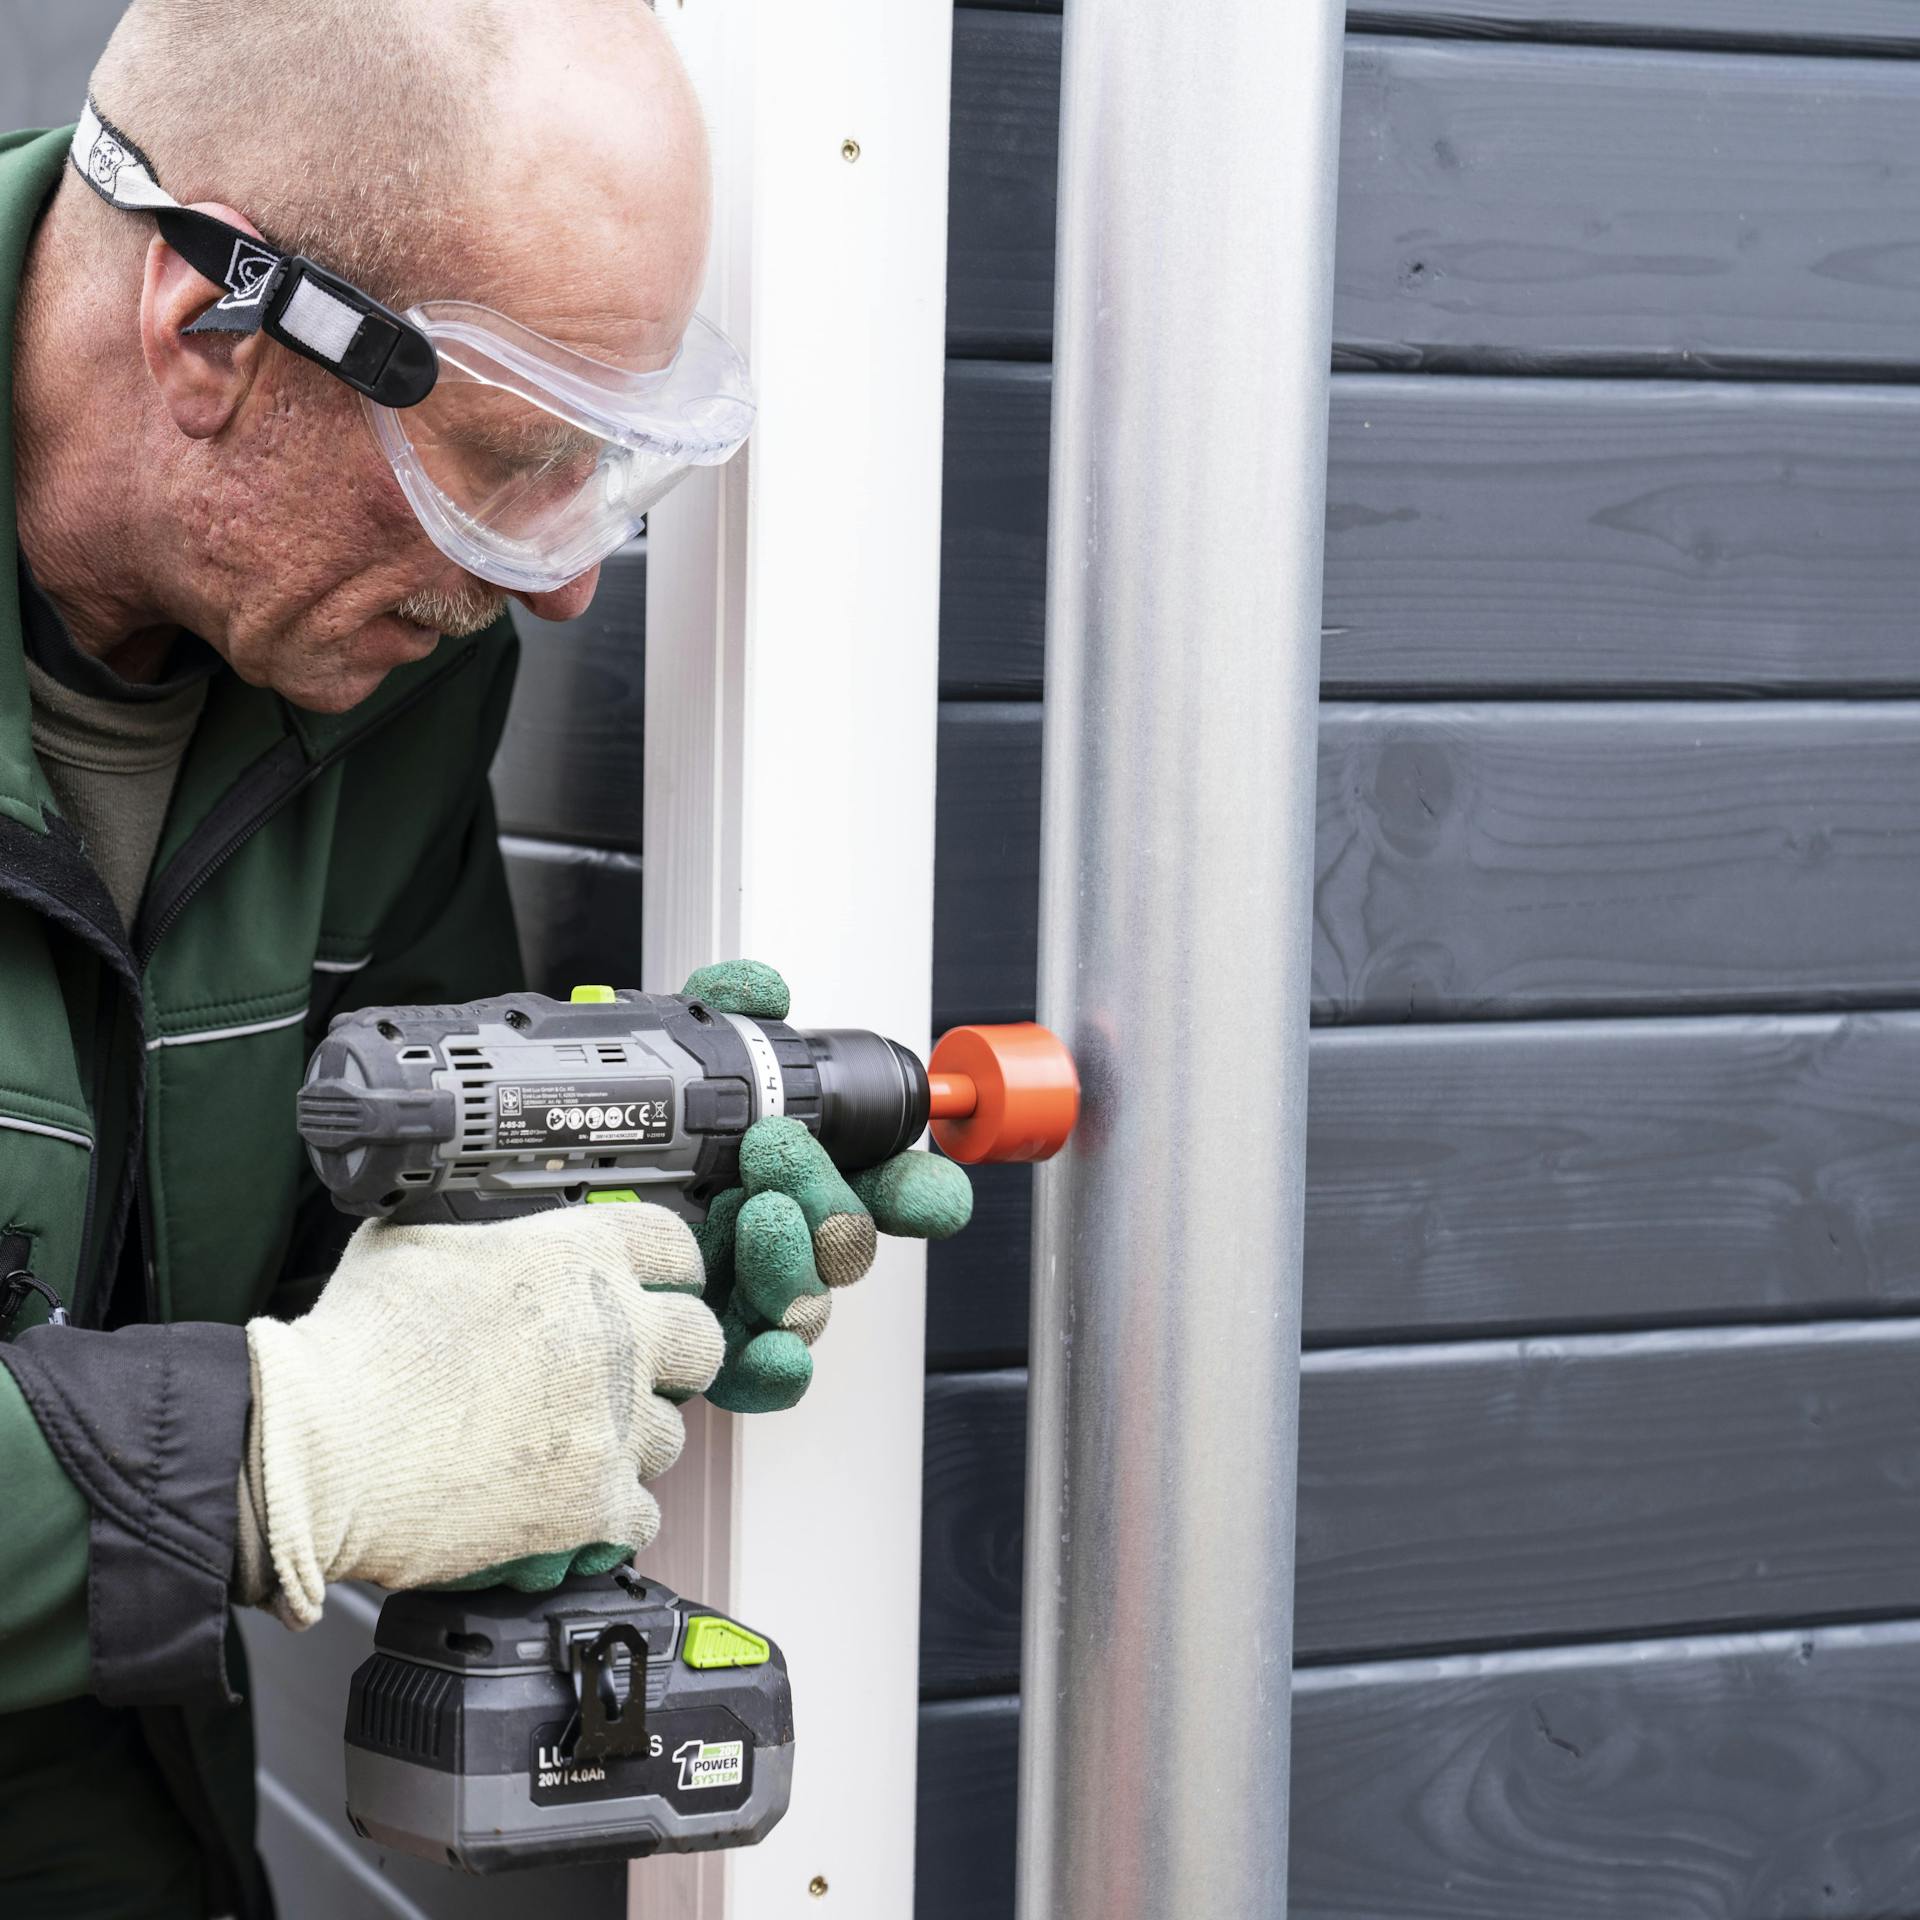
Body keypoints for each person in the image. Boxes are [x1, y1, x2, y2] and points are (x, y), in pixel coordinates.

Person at [0, 3, 970, 1914]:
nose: (561, 577)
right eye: (509, 457)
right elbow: (311, 1420)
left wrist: (588, 1254)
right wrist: (290, 1455)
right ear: (210, 326)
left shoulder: (384, 670)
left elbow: (359, 1232)